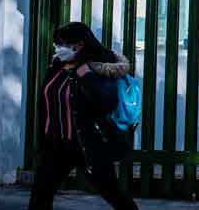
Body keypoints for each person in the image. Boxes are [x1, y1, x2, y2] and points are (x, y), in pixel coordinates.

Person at [29, 22, 137, 210]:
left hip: (87, 143)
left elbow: (107, 103)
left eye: (63, 43)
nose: (58, 48)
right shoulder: (58, 65)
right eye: (58, 43)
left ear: (80, 44)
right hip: (56, 143)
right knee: (41, 194)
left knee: (112, 192)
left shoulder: (99, 66)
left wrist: (87, 77)